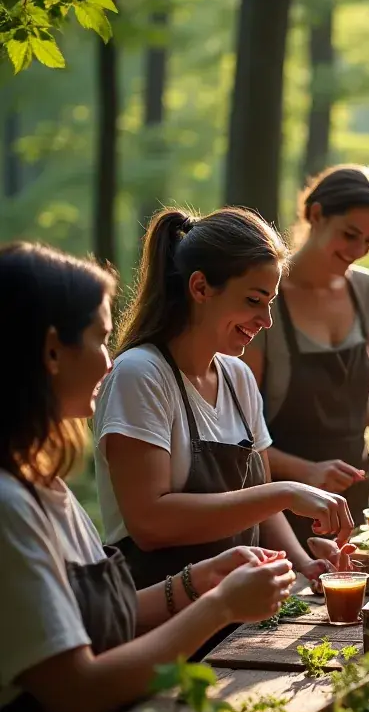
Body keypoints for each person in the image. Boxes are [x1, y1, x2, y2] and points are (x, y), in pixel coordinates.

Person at [0, 243, 296, 712]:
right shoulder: (9, 508)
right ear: (51, 352)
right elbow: (77, 693)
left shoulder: (48, 489)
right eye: (98, 338)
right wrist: (219, 607)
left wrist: (199, 580)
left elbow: (97, 620)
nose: (110, 361)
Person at [93, 207, 354, 597]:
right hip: (157, 622)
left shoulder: (238, 377)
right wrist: (284, 492)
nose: (266, 320)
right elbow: (149, 523)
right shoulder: (140, 375)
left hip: (236, 613)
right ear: (200, 288)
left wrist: (304, 564)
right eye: (253, 300)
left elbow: (258, 506)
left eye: (270, 303)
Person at [241, 165, 369, 535]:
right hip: (286, 504)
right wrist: (306, 472)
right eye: (349, 234)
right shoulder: (267, 300)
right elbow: (240, 436)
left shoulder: (366, 290)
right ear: (316, 214)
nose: (358, 251)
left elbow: (362, 394)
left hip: (357, 492)